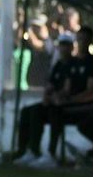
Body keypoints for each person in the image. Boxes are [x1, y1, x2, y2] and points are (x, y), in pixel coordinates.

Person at [35, 25, 93, 168]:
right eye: (79, 39)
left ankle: (51, 154)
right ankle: (32, 151)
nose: (82, 42)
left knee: (56, 111)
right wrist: (55, 97)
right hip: (70, 104)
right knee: (35, 111)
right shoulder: (71, 63)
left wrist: (68, 100)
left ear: (90, 41)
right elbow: (67, 88)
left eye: (85, 39)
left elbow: (91, 93)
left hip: (86, 106)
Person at [12, 32, 76, 165]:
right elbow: (50, 85)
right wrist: (47, 97)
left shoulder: (73, 65)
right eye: (61, 45)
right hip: (53, 101)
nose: (63, 48)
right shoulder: (58, 65)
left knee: (54, 113)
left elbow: (67, 89)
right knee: (29, 111)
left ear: (71, 47)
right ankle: (28, 150)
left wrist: (55, 98)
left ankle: (51, 153)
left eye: (66, 45)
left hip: (66, 105)